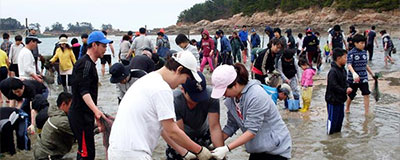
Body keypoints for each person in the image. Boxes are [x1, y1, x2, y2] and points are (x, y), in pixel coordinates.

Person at [108, 51, 212, 160]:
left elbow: (164, 129)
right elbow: (172, 131)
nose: (181, 84)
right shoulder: (162, 89)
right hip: (134, 153)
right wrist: (199, 151)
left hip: (116, 151)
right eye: (185, 79)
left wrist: (184, 152)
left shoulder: (147, 80)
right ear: (179, 70)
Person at [210, 64, 292, 160]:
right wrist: (215, 143)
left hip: (276, 149)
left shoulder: (256, 96)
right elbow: (232, 125)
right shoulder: (232, 99)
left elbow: (252, 131)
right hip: (257, 147)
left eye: (224, 91)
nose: (223, 95)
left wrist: (227, 148)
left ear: (235, 85)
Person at [68, 31, 112, 160]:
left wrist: (93, 113)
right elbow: (84, 92)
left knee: (86, 151)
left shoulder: (90, 64)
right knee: (86, 154)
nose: (105, 49)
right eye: (103, 46)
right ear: (94, 45)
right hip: (79, 116)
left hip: (85, 115)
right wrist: (96, 111)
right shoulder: (85, 64)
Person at [164, 71, 224, 160]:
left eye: (200, 96)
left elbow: (214, 127)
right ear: (183, 90)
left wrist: (220, 151)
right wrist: (186, 153)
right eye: (193, 97)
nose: (197, 101)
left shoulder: (211, 95)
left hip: (203, 132)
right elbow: (178, 132)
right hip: (181, 135)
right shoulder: (175, 100)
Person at [33, 92, 74, 160]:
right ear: (63, 104)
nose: (73, 107)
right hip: (47, 155)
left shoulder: (54, 112)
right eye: (71, 105)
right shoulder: (61, 121)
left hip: (41, 150)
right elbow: (81, 132)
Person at [345, 34, 375, 115]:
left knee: (366, 94)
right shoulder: (351, 53)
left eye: (364, 43)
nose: (363, 45)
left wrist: (372, 74)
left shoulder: (364, 52)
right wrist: (354, 73)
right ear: (355, 43)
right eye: (361, 43)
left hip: (364, 77)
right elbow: (349, 65)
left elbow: (366, 65)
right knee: (351, 95)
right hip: (353, 78)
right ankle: (347, 108)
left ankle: (366, 112)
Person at [325, 48, 351, 134]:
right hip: (333, 100)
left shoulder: (343, 70)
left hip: (341, 99)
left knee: (340, 121)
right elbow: (333, 86)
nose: (346, 59)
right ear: (338, 58)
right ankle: (330, 139)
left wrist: (347, 87)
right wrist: (344, 90)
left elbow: (345, 81)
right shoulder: (333, 71)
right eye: (345, 57)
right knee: (332, 121)